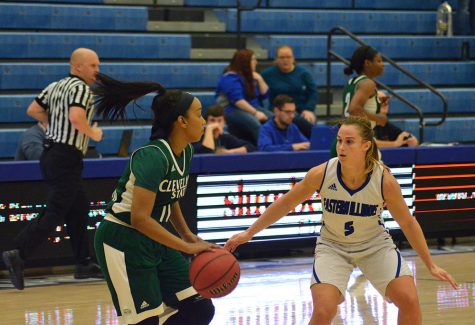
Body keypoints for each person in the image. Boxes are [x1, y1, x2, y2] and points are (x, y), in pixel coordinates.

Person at [225, 116, 458, 325]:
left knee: (409, 300)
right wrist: (249, 233)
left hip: (374, 246)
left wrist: (430, 263)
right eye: (339, 140)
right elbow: (286, 203)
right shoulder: (322, 173)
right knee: (323, 310)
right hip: (333, 247)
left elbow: (408, 223)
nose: (341, 147)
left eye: (349, 141)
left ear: (366, 145)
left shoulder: (384, 181)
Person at [92, 73, 219, 325]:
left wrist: (187, 236)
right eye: (199, 113)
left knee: (200, 308)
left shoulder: (185, 152)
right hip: (124, 240)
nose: (203, 121)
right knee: (145, 321)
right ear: (181, 121)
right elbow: (139, 218)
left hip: (155, 239)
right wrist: (186, 248)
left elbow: (170, 198)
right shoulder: (152, 157)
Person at [2, 48, 104, 290]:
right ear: (77, 66)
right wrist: (94, 134)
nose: (97, 71)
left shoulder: (55, 86)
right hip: (66, 156)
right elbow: (77, 118)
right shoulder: (80, 88)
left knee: (78, 208)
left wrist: (52, 124)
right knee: (56, 210)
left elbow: (33, 110)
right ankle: (19, 252)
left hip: (52, 154)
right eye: (93, 65)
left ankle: (83, 263)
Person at [330, 45, 388, 157]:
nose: (382, 64)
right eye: (379, 61)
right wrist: (379, 118)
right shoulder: (368, 83)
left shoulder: (352, 81)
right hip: (355, 142)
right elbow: (354, 109)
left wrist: (376, 102)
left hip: (343, 140)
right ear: (367, 63)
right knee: (379, 173)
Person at [215, 49, 273, 145]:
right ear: (245, 63)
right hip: (230, 110)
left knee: (274, 119)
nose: (256, 62)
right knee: (255, 124)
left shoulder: (250, 77)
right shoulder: (229, 78)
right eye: (253, 60)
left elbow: (265, 95)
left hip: (250, 107)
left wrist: (260, 79)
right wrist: (255, 113)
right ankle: (265, 150)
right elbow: (238, 101)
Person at [261, 45, 317, 138]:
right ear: (276, 59)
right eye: (282, 57)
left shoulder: (304, 74)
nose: (285, 60)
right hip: (278, 112)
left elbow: (313, 92)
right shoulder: (267, 74)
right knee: (297, 120)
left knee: (306, 119)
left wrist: (309, 109)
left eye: (288, 57)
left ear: (293, 58)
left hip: (301, 110)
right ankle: (316, 139)